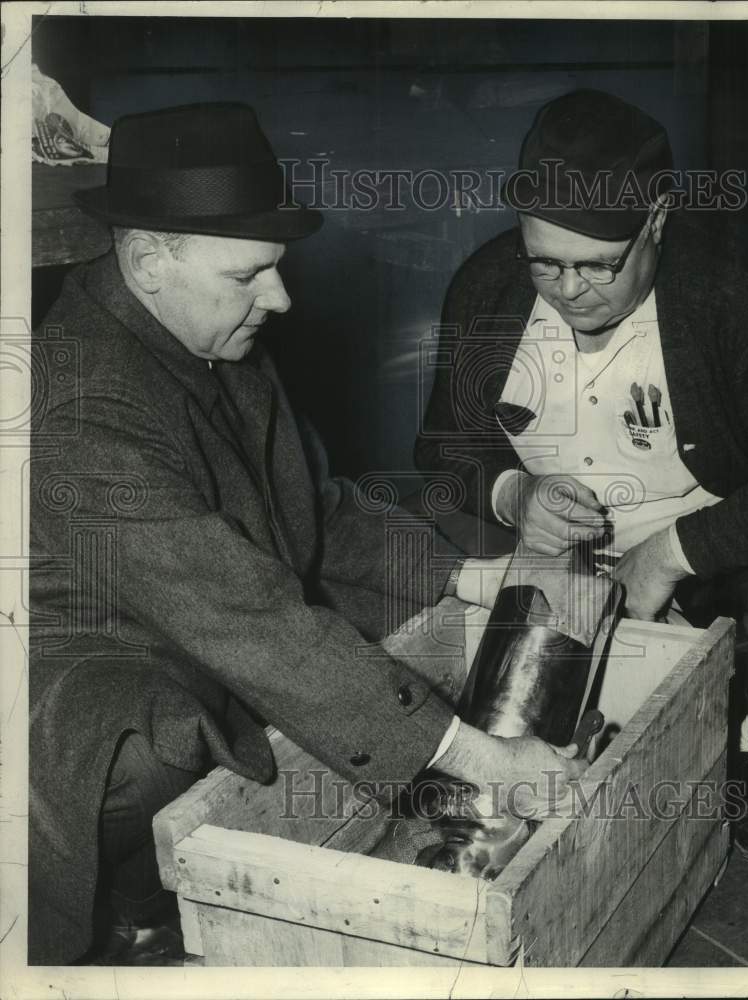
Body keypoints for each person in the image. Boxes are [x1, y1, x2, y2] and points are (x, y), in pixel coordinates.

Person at [29, 102, 584, 966]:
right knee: (160, 746)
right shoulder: (81, 401)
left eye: (277, 270)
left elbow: (314, 512)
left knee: (321, 680)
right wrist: (478, 754)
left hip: (204, 620)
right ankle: (130, 912)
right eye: (250, 275)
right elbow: (243, 613)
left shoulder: (210, 338)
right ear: (145, 262)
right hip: (84, 668)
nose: (280, 298)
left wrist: (481, 575)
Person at [416, 90, 748, 862]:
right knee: (420, 552)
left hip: (700, 533)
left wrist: (675, 552)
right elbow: (443, 450)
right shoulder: (487, 289)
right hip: (549, 542)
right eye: (545, 261)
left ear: (658, 220)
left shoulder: (734, 301)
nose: (570, 289)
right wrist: (516, 494)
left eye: (599, 266)